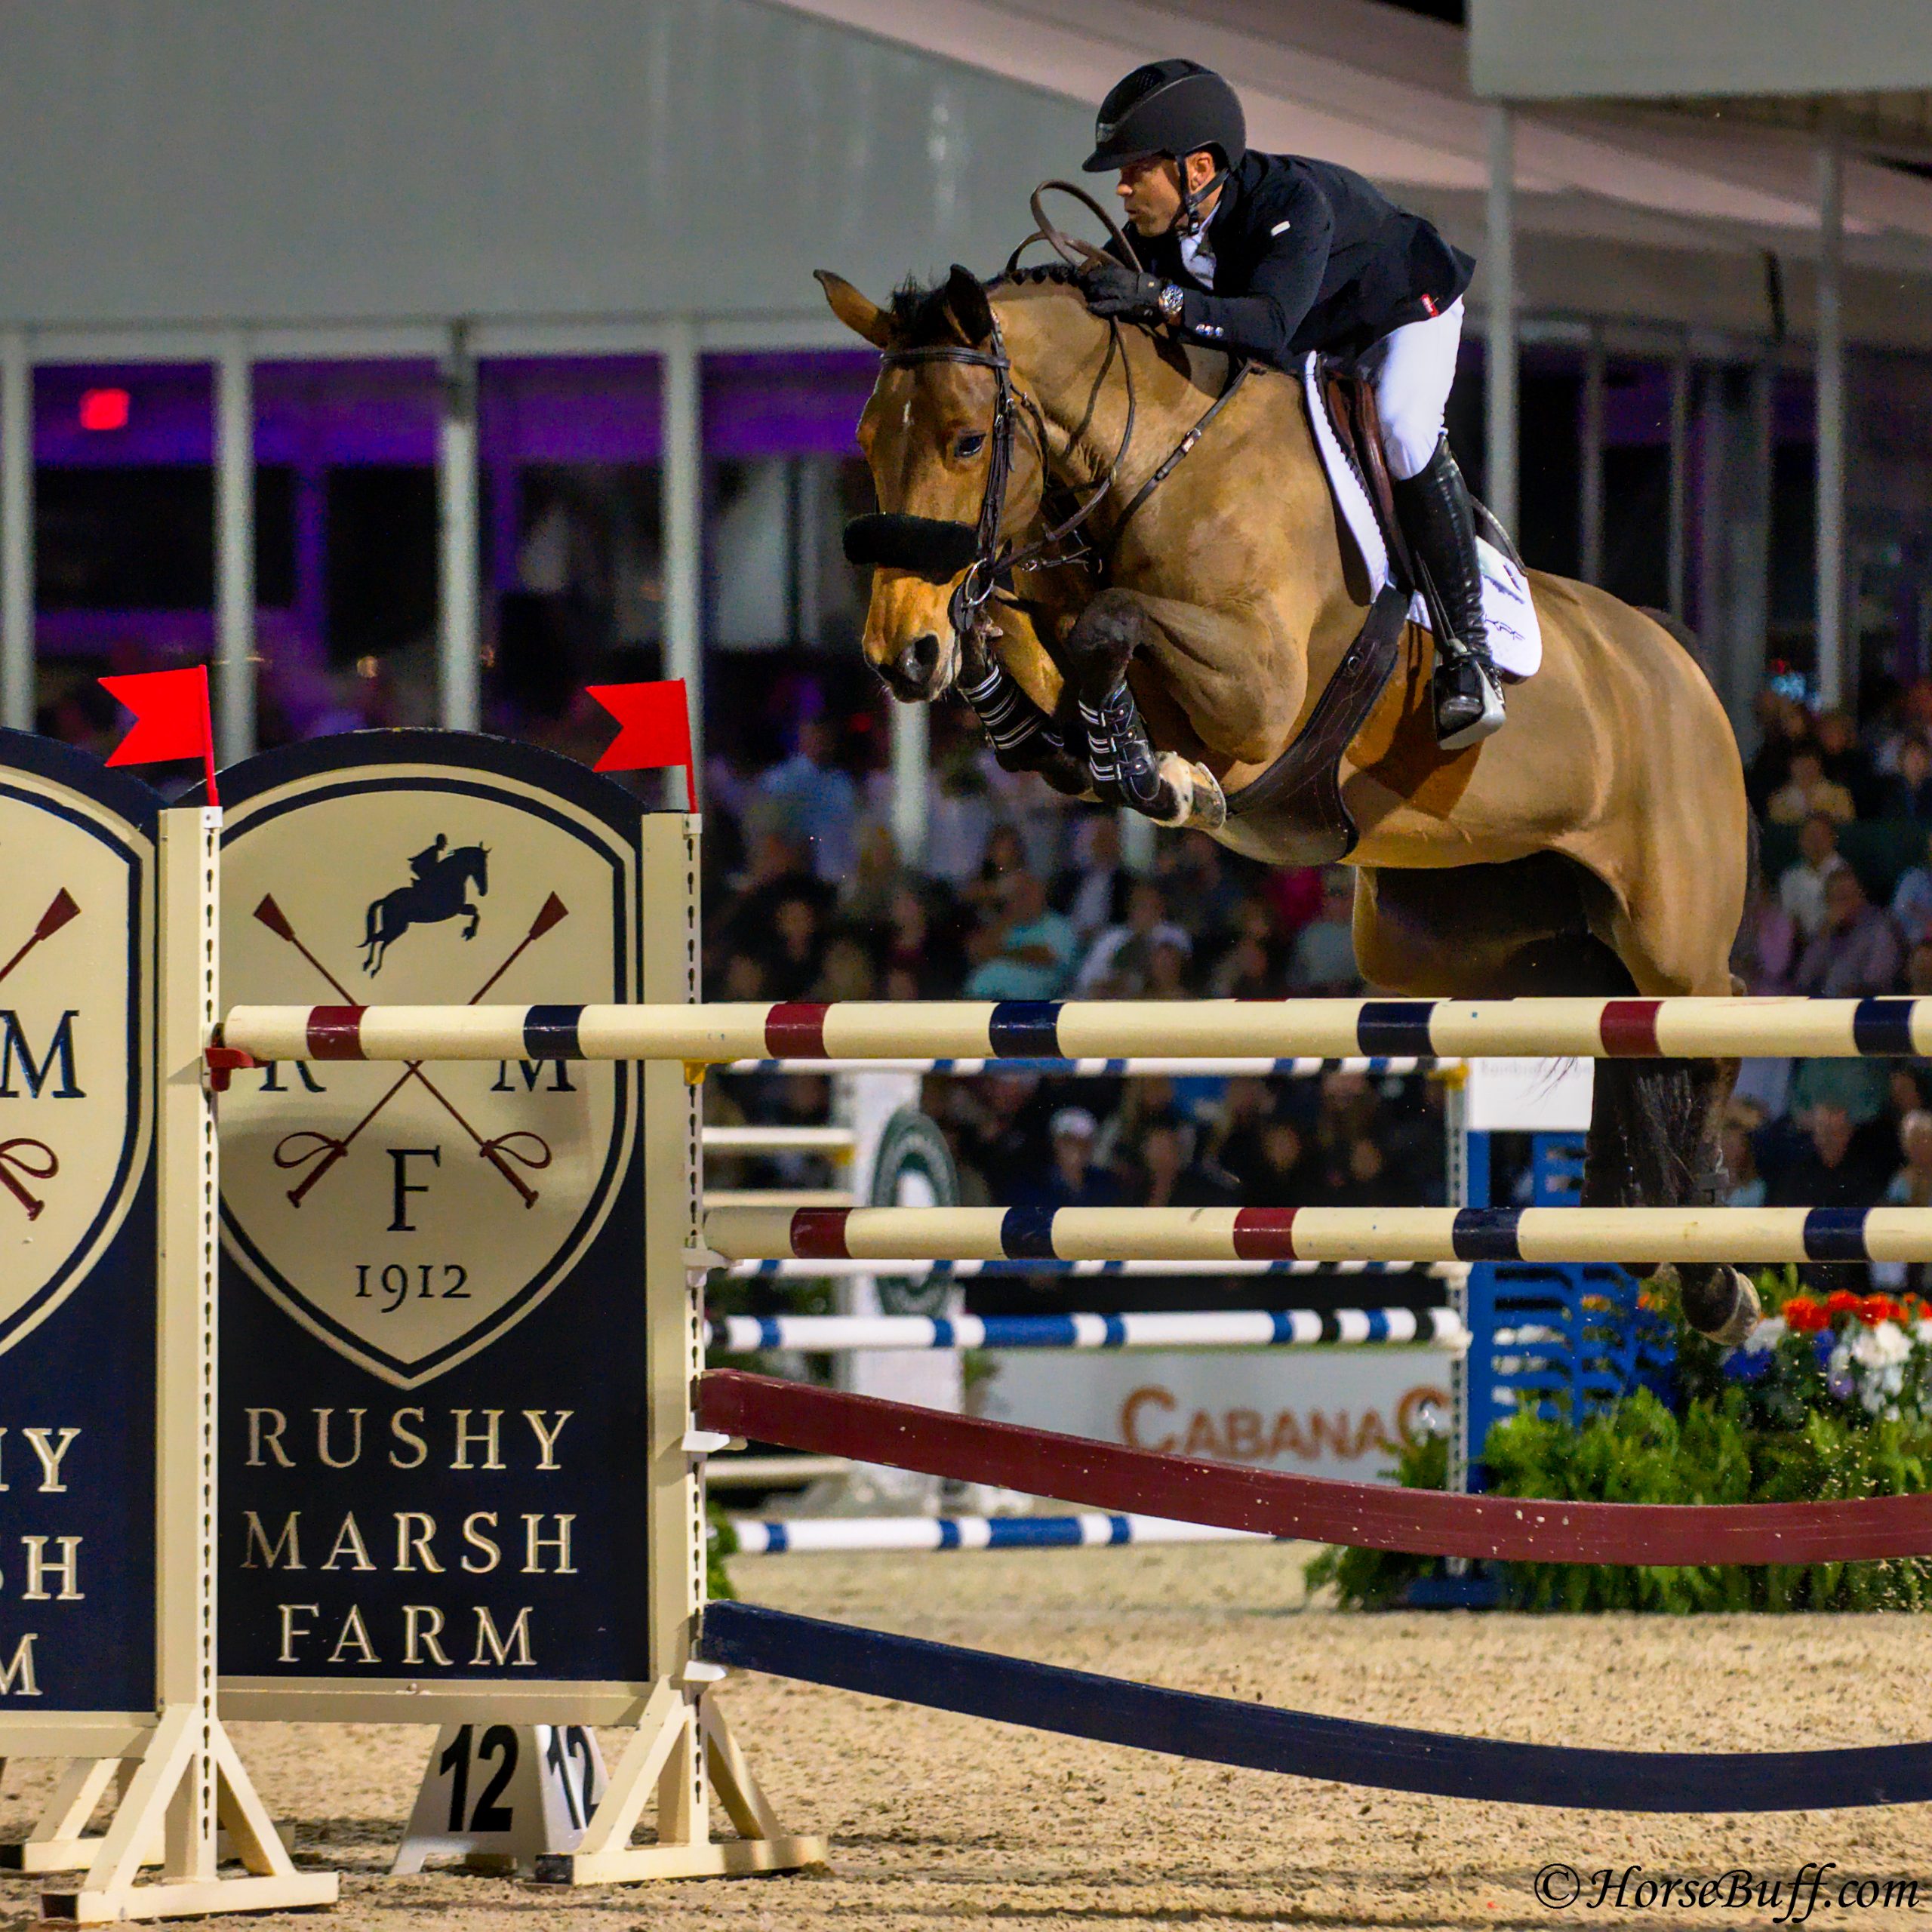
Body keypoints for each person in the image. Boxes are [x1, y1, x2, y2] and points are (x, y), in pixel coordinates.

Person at [1076, 59, 1498, 749]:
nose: (1121, 187)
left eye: (1135, 170)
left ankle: (1471, 656)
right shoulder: (1164, 224)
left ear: (1199, 168)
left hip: (1399, 312)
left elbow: (1267, 326)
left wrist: (1161, 300)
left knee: (1401, 428)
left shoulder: (1289, 205)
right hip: (1314, 334)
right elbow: (1101, 284)